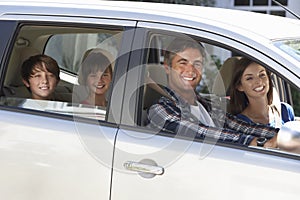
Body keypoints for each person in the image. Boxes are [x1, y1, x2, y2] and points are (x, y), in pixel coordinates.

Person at [147, 38, 278, 147]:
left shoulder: (206, 105)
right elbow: (203, 133)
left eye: (197, 63)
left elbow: (243, 127)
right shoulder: (160, 110)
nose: (191, 70)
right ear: (167, 67)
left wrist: (284, 135)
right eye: (183, 63)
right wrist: (260, 143)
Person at [229, 57, 295, 128]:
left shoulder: (285, 110)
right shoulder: (240, 123)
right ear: (240, 86)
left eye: (262, 75)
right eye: (249, 78)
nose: (259, 82)